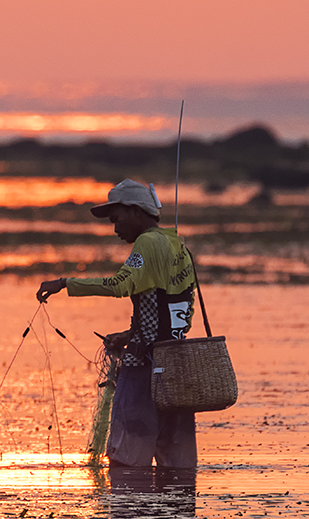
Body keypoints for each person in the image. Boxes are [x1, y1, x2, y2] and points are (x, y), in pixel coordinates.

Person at [36, 179, 198, 468]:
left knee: (127, 458)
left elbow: (119, 285)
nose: (115, 228)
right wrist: (130, 333)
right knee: (177, 462)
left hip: (144, 365)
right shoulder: (177, 245)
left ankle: (128, 512)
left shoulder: (146, 242)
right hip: (178, 366)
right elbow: (176, 308)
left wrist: (64, 283)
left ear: (135, 211)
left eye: (117, 218)